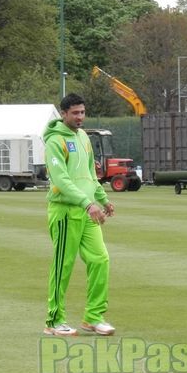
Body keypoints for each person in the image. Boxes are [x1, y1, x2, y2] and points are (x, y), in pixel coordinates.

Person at [42, 93, 115, 337]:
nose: (80, 117)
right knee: (63, 265)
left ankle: (93, 317)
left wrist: (103, 199)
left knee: (100, 260)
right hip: (65, 212)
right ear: (63, 114)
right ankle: (54, 321)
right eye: (75, 113)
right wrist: (87, 203)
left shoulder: (83, 136)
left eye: (82, 112)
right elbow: (61, 179)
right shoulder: (55, 141)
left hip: (88, 211)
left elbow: (90, 174)